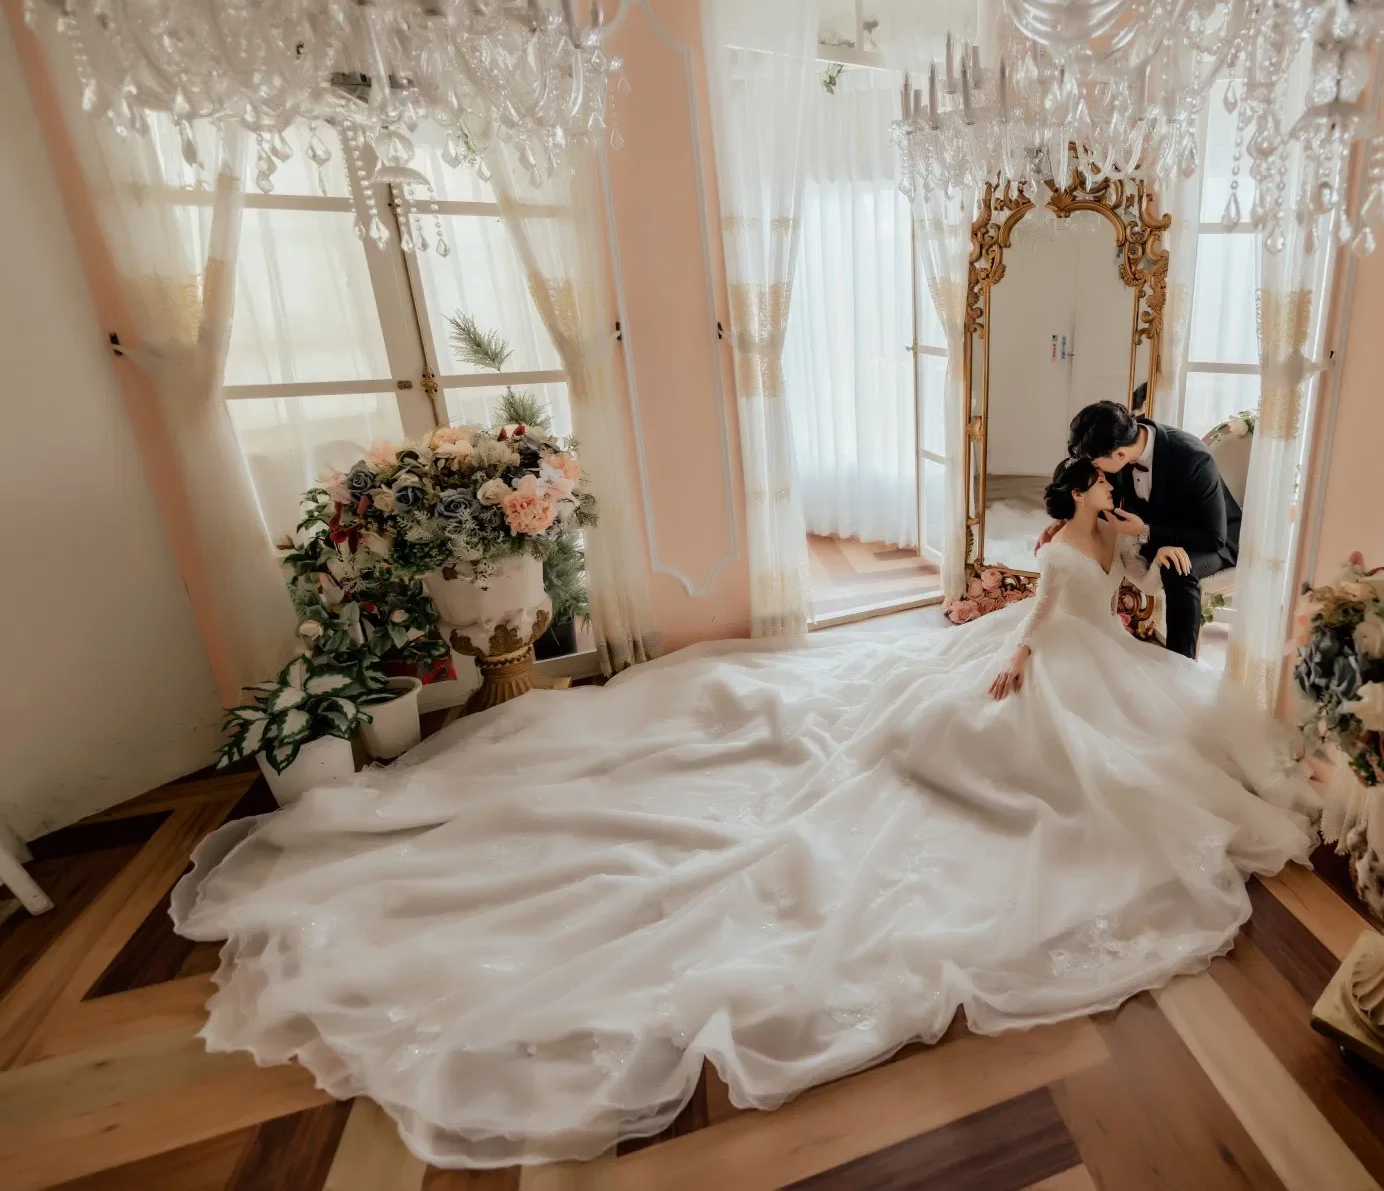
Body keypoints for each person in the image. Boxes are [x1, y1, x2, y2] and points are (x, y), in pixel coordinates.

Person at [170, 455, 1318, 1170]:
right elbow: (1050, 617)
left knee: (1108, 740)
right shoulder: (1068, 538)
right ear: (1086, 488)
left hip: (1082, 658)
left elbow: (1115, 596)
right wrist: (1021, 657)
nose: (1125, 489)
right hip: (1043, 661)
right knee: (983, 756)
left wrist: (1145, 573)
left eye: (1124, 481)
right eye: (1114, 481)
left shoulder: (1105, 535)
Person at [1044, 400, 1241, 659]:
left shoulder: (1193, 458)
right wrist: (1065, 523)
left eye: (1096, 463)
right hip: (1157, 531)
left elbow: (1213, 537)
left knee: (1176, 568)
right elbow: (1092, 493)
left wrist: (1146, 531)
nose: (1096, 469)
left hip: (1213, 540)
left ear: (1120, 455)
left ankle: (1181, 663)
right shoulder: (1121, 440)